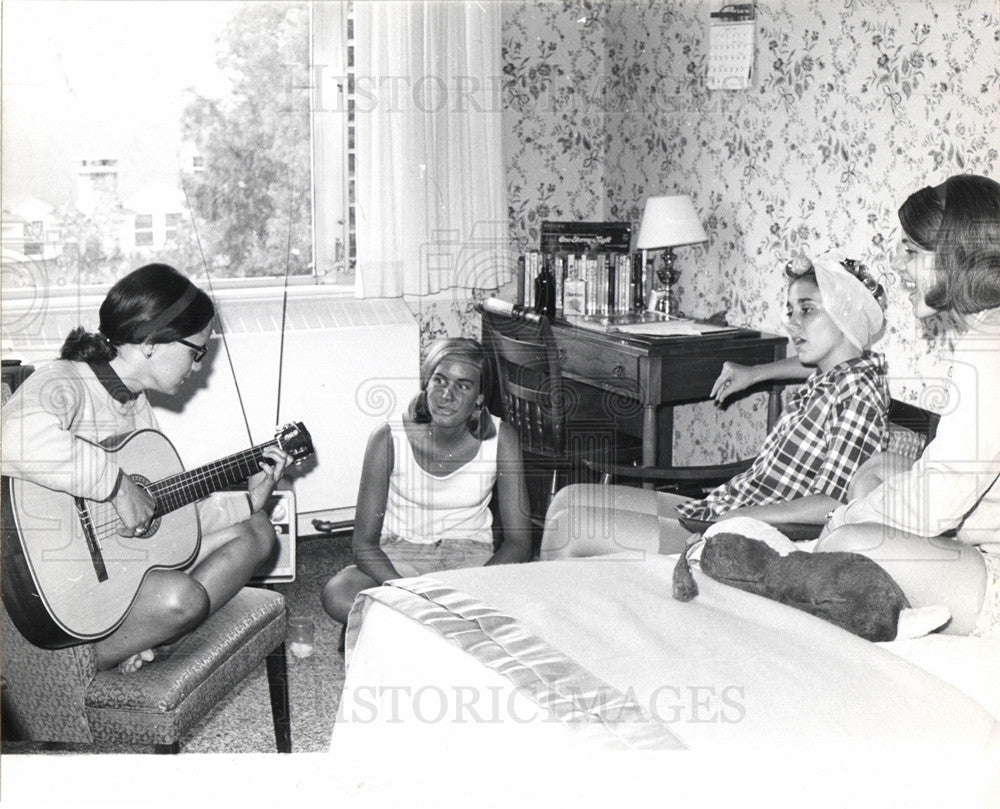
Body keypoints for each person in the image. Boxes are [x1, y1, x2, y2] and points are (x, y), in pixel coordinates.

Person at [1, 263, 293, 673]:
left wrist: (249, 500)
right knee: (181, 598)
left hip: (116, 572)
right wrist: (116, 486)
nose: (198, 367)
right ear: (151, 341)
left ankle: (144, 640)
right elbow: (11, 438)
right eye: (197, 351)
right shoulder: (62, 381)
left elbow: (163, 516)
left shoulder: (135, 407)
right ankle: (94, 658)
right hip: (55, 587)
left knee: (256, 529)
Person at [541, 251, 889, 558]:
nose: (792, 323)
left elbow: (835, 504)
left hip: (746, 537)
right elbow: (814, 362)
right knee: (567, 499)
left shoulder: (858, 393)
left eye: (807, 310)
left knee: (572, 527)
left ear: (845, 315)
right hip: (726, 507)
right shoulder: (834, 375)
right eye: (790, 310)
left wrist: (740, 519)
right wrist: (754, 373)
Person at [818, 174, 1000, 638]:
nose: (899, 268)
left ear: (958, 256)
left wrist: (845, 518)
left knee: (845, 543)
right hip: (976, 535)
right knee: (880, 468)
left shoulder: (990, 343)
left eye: (912, 252)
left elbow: (941, 497)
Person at [321, 338, 532, 628]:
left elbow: (520, 542)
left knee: (531, 604)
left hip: (471, 562)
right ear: (426, 382)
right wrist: (410, 592)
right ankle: (444, 627)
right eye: (440, 380)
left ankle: (412, 627)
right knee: (339, 593)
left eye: (463, 385)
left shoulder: (502, 438)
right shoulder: (387, 438)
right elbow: (363, 545)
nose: (446, 395)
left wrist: (473, 590)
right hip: (398, 557)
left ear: (480, 397)